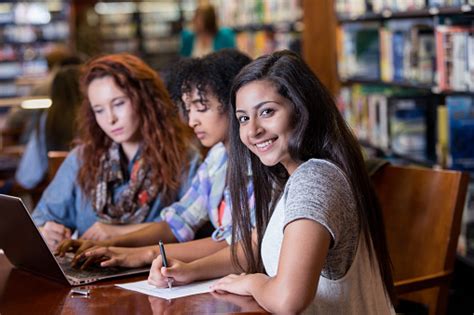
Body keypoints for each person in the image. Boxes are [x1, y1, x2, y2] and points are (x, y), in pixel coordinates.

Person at [148, 50, 396, 314]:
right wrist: (189, 271)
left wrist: (253, 282)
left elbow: (288, 300)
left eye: (267, 112)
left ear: (302, 110)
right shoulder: (287, 177)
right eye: (243, 118)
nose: (253, 130)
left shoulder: (315, 180)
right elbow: (253, 245)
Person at [56, 49, 255, 270]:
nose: (192, 121)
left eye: (201, 108)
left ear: (236, 102)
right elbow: (179, 221)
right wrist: (109, 245)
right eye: (188, 110)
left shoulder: (260, 163)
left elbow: (238, 245)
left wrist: (143, 254)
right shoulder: (218, 158)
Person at [32, 53, 200, 250]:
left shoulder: (182, 158)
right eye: (99, 110)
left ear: (145, 99)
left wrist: (116, 232)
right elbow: (40, 220)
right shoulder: (82, 158)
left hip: (151, 274)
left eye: (119, 103)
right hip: (88, 272)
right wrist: (46, 231)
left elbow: (194, 227)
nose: (110, 119)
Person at [14, 65, 82, 190]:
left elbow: (29, 175)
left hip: (56, 191)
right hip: (88, 189)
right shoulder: (93, 116)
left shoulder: (48, 118)